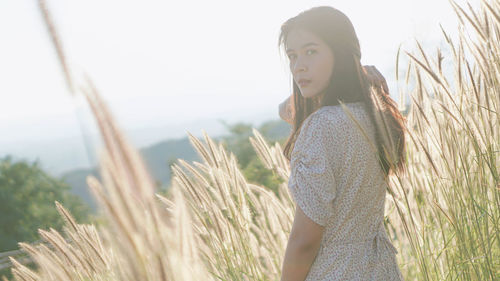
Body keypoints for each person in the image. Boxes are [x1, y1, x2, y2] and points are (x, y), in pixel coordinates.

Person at [277, 6, 407, 281]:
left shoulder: (321, 126)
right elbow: (288, 109)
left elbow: (304, 240)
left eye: (311, 51)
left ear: (339, 51)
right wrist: (356, 72)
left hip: (335, 272)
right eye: (292, 55)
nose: (298, 65)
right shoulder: (375, 114)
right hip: (380, 269)